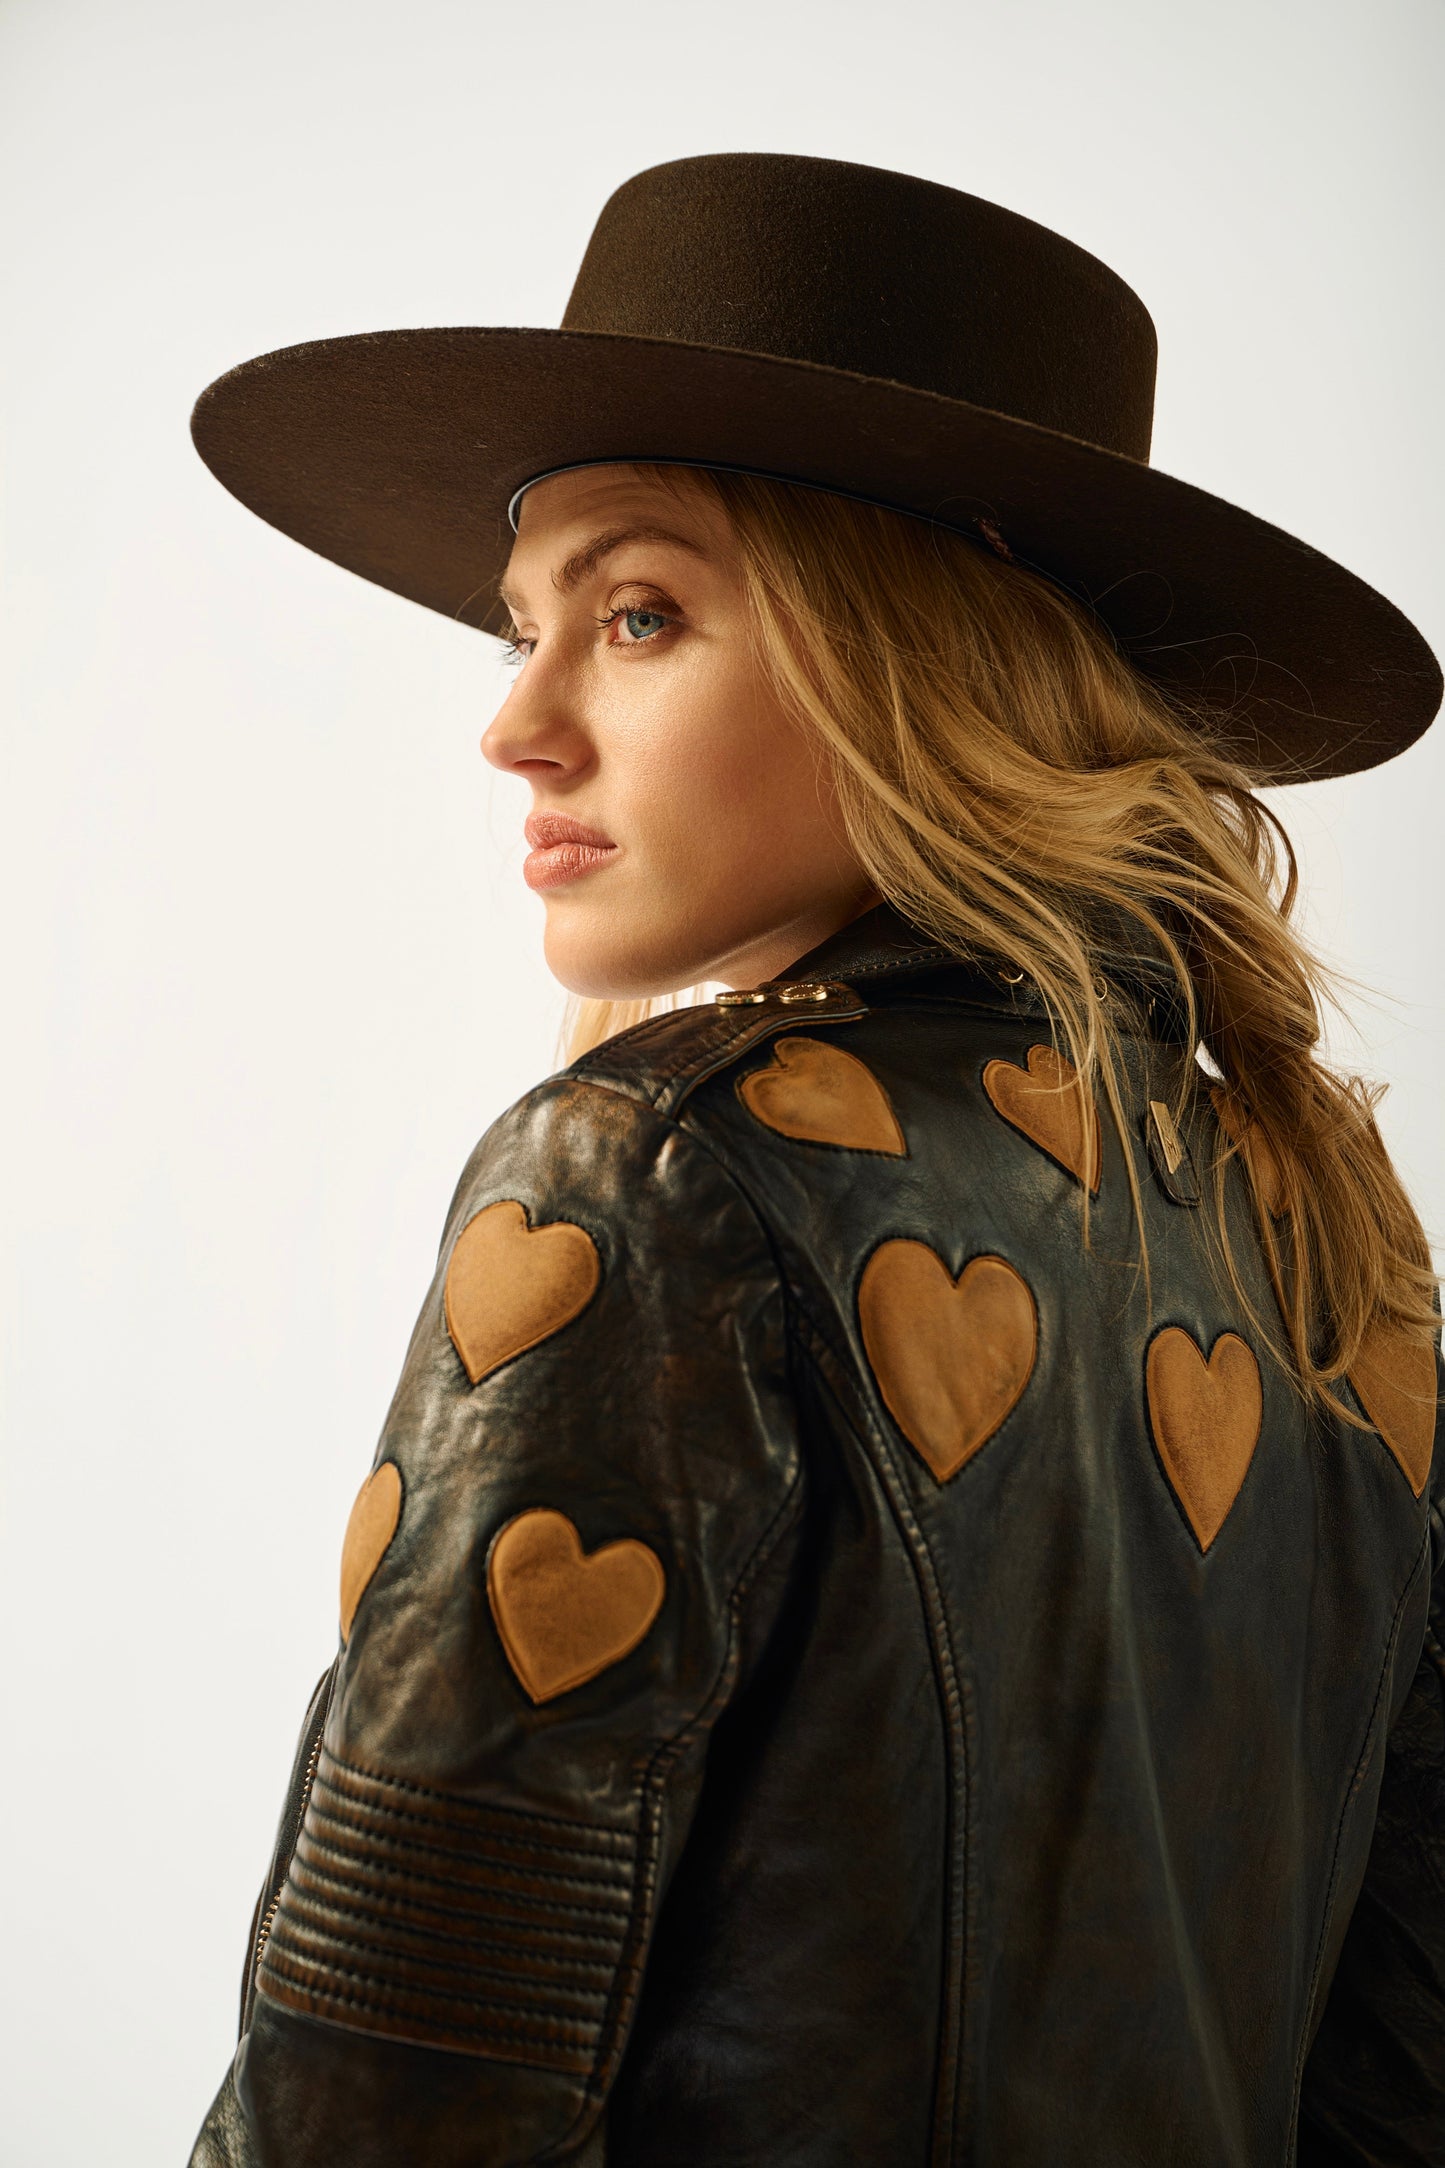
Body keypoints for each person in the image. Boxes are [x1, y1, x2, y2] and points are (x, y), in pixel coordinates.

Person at [186, 154, 1444, 2166]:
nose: (519, 725)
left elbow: (380, 2104)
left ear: (921, 659)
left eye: (641, 613)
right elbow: (1396, 2076)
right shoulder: (1325, 1222)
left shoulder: (648, 1172)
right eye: (522, 631)